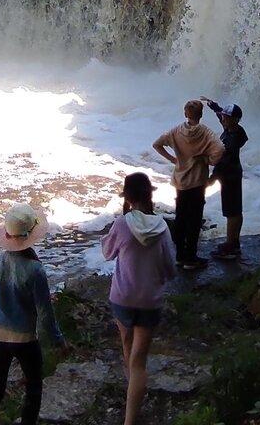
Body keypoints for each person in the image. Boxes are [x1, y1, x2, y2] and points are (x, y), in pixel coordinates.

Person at [0, 203, 67, 425]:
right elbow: (44, 313)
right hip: (25, 338)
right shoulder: (35, 270)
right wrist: (58, 341)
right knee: (33, 388)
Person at [99, 173, 176, 425]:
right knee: (140, 360)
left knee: (127, 347)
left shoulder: (122, 224)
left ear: (128, 197)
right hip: (150, 300)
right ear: (149, 195)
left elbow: (108, 252)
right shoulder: (162, 226)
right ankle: (130, 419)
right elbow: (170, 267)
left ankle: (131, 391)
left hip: (122, 297)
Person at [152, 100, 222, 269]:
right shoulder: (205, 132)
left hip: (180, 181)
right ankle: (191, 257)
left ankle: (180, 255)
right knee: (195, 219)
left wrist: (173, 160)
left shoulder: (176, 131)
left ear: (185, 113)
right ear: (201, 114)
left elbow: (157, 144)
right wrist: (208, 160)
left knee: (181, 218)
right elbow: (220, 149)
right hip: (197, 182)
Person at [199, 97, 249, 260]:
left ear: (235, 120)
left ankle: (232, 245)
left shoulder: (234, 138)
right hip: (228, 175)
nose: (223, 119)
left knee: (233, 211)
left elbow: (224, 161)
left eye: (227, 118)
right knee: (230, 210)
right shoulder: (231, 128)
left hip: (231, 175)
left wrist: (212, 179)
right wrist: (213, 106)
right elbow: (221, 115)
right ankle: (231, 242)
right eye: (224, 117)